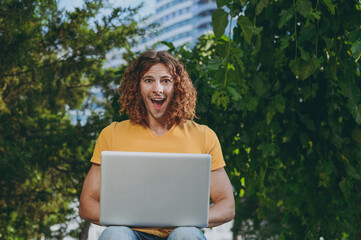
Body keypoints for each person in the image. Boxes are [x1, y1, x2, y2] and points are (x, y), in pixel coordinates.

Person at [79, 50, 235, 240]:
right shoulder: (112, 134)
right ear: (137, 87)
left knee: (185, 234)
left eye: (166, 81)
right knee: (115, 234)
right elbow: (87, 204)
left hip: (179, 234)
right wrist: (126, 219)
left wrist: (188, 219)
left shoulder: (204, 136)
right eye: (148, 80)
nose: (158, 89)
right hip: (130, 233)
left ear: (177, 87)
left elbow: (227, 205)